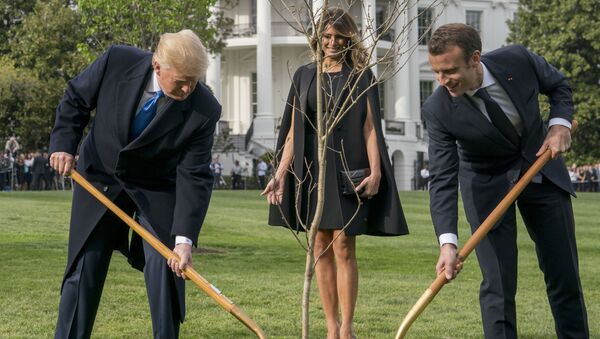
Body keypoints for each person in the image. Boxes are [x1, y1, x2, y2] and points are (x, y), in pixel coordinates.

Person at [48, 29, 220, 338]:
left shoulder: (204, 108)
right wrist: (63, 144)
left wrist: (184, 240)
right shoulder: (117, 60)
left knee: (168, 268)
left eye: (193, 81)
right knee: (85, 266)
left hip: (156, 187)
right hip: (99, 178)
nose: (187, 88)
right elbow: (76, 98)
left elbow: (194, 174)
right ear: (157, 66)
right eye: (180, 80)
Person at [422, 23, 588, 338]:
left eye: (450, 71)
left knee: (563, 274)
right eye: (436, 73)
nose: (443, 81)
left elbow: (558, 86)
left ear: (475, 58)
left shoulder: (518, 60)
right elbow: (443, 177)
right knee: (497, 286)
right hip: (486, 185)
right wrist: (447, 243)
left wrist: (559, 124)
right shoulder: (438, 109)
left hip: (540, 167)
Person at [262, 8, 408, 339]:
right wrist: (281, 173)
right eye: (326, 35)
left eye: (338, 36)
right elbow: (292, 132)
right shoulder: (303, 75)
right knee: (321, 247)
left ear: (347, 38)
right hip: (312, 169)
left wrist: (376, 172)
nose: (331, 42)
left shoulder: (360, 75)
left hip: (347, 164)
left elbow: (371, 126)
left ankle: (347, 328)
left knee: (344, 247)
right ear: (318, 37)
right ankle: (330, 328)